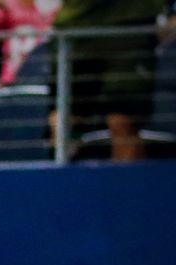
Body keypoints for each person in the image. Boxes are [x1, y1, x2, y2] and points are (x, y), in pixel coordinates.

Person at [53, 0, 164, 162]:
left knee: (121, 120)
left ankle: (125, 185)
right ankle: (62, 184)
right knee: (62, 121)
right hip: (74, 28)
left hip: (129, 27)